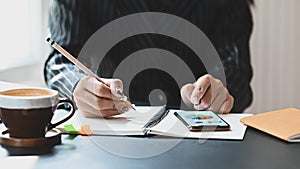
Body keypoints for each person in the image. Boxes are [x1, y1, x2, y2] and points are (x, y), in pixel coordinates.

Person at [44, 0, 253, 118]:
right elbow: (61, 61)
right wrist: (78, 86)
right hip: (105, 134)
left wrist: (217, 92)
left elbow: (235, 68)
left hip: (195, 138)